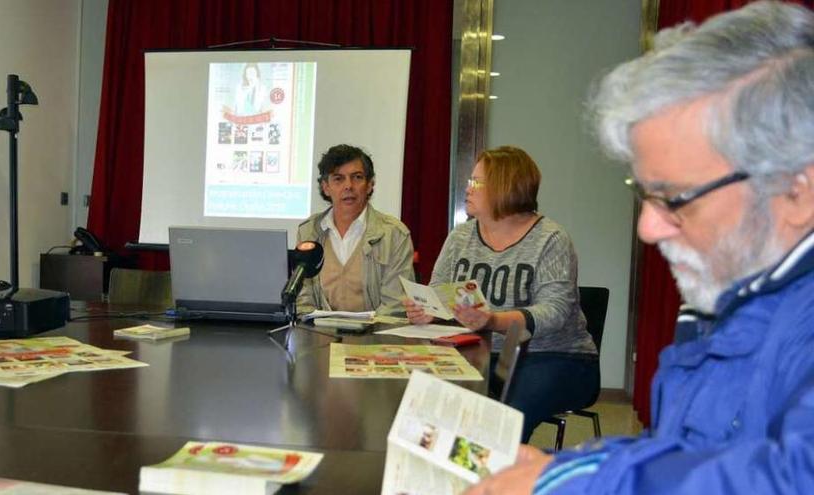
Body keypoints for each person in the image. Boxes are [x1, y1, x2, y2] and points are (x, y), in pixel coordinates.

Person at [465, 2, 814, 494]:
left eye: (675, 197)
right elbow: (691, 455)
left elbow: (792, 477)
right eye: (645, 194)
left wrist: (573, 480)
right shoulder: (727, 303)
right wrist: (556, 465)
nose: (648, 227)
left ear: (797, 190)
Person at [404, 146, 599, 442]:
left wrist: (492, 320)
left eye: (476, 182)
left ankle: (490, 484)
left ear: (504, 187)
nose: (468, 189)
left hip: (551, 356)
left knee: (501, 420)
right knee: (424, 399)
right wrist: (428, 309)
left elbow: (555, 312)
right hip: (479, 353)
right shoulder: (460, 237)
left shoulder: (551, 239)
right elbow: (439, 291)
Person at [296, 144, 414, 316]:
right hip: (320, 336)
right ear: (325, 187)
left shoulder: (394, 234)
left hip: (375, 338)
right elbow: (302, 301)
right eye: (338, 178)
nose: (348, 186)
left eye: (357, 177)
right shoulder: (309, 232)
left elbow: (395, 307)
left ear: (369, 185)